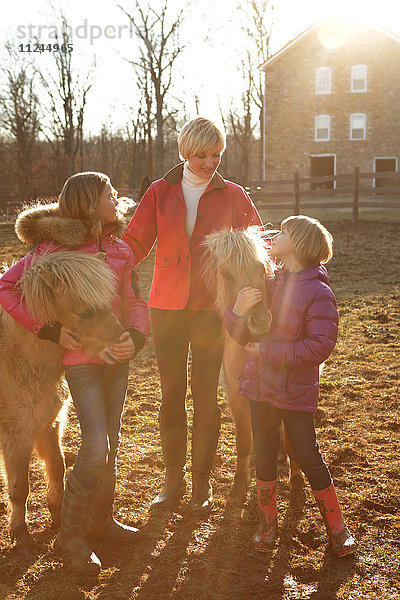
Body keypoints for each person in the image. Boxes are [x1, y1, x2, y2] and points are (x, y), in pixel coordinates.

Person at [0, 172, 149, 575]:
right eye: (109, 194)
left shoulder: (119, 250)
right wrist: (45, 329)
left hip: (116, 358)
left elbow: (133, 299)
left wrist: (136, 336)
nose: (117, 198)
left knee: (111, 443)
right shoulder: (54, 251)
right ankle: (73, 534)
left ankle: (102, 520)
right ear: (89, 205)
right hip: (80, 362)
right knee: (95, 444)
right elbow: (6, 287)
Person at [123, 117, 263, 515]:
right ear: (186, 152)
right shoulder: (159, 191)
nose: (210, 162)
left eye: (217, 154)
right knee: (170, 395)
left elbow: (258, 244)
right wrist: (106, 264)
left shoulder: (234, 194)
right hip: (164, 307)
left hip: (210, 308)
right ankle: (172, 481)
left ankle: (201, 483)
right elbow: (135, 242)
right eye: (202, 155)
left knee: (205, 396)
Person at [223, 215, 357, 557]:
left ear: (297, 245)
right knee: (264, 454)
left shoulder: (318, 292)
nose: (274, 235)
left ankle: (337, 528)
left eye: (281, 232)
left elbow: (320, 346)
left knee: (307, 454)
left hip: (294, 391)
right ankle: (267, 525)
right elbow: (239, 332)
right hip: (258, 388)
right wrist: (237, 311)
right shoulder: (268, 282)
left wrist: (270, 352)